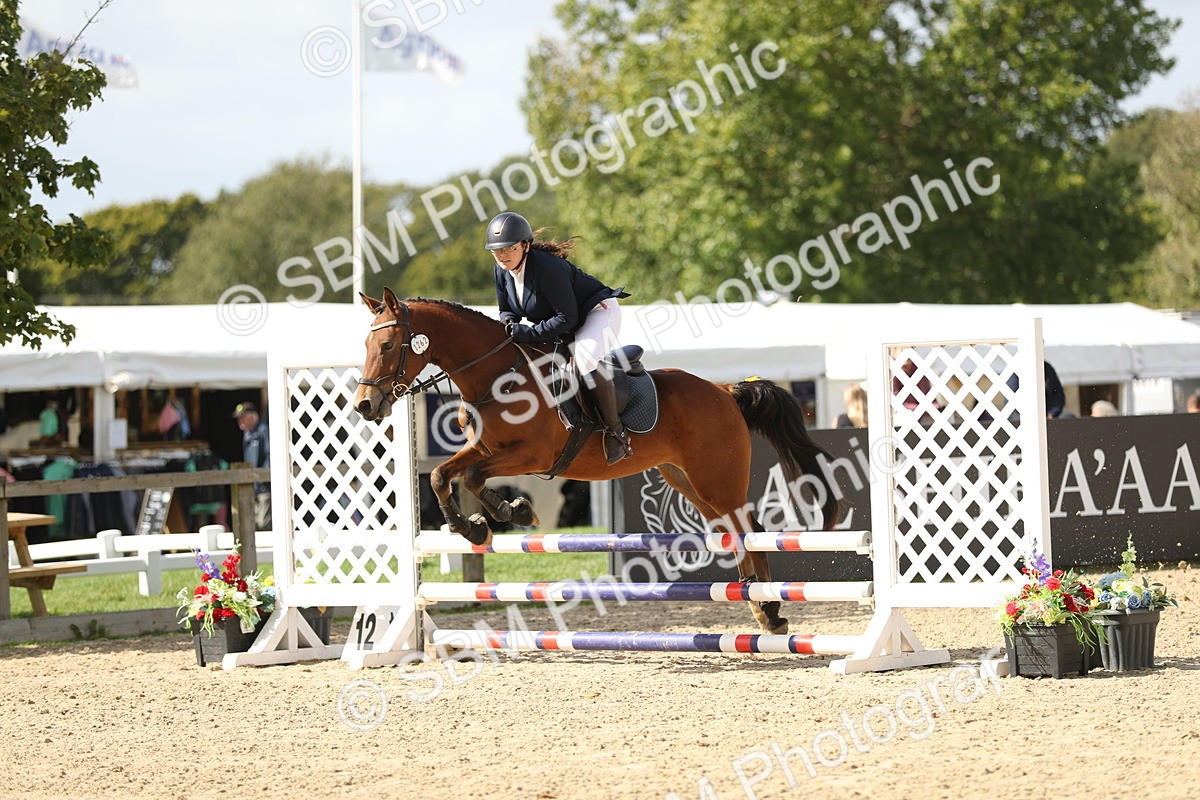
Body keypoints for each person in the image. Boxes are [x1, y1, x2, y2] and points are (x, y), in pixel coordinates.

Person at [486, 211, 632, 465]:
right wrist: (508, 327)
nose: (502, 255)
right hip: (563, 322)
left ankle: (615, 431)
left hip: (596, 313)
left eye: (509, 248)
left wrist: (529, 333)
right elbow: (507, 310)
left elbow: (568, 319)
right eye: (496, 250)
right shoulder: (501, 271)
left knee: (584, 361)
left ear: (525, 245)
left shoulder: (547, 269)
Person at [232, 402, 271, 530]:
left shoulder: (263, 431)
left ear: (253, 416)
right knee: (252, 523)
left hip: (265, 486)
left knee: (264, 523)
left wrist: (264, 478)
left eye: (243, 417)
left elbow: (269, 455)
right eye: (238, 418)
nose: (240, 421)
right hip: (253, 487)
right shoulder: (247, 436)